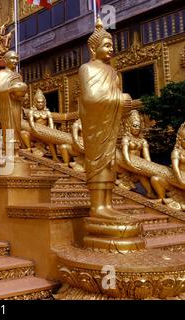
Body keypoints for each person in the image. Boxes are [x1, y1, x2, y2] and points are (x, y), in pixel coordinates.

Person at [79, 18, 133, 220]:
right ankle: (97, 206)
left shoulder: (112, 72)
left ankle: (108, 203)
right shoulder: (87, 69)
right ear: (94, 49)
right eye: (107, 45)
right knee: (98, 163)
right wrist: (120, 99)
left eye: (112, 45)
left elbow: (110, 97)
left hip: (110, 124)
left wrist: (123, 103)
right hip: (95, 127)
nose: (111, 49)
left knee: (111, 163)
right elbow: (90, 98)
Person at [117, 110, 156, 198]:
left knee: (144, 172)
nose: (137, 128)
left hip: (139, 164)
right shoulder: (126, 139)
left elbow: (147, 158)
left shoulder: (143, 141)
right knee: (140, 173)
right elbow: (124, 154)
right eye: (134, 126)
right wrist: (130, 164)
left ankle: (152, 192)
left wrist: (150, 168)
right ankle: (150, 192)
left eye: (138, 126)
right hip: (127, 163)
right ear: (129, 126)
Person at [0, 51, 29, 153]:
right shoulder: (1, 74)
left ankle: (17, 152)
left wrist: (24, 96)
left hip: (16, 105)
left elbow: (20, 93)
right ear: (5, 60)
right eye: (12, 58)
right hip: (7, 106)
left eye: (16, 58)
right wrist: (12, 88)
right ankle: (10, 152)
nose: (15, 61)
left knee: (17, 128)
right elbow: (0, 90)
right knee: (9, 128)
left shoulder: (18, 76)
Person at [28, 88, 59, 161]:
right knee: (24, 133)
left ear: (44, 102)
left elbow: (51, 125)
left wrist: (49, 132)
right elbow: (31, 123)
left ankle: (55, 156)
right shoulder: (31, 112)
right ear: (35, 103)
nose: (40, 104)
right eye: (38, 102)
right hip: (35, 132)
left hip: (45, 132)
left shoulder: (48, 112)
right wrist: (36, 131)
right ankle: (29, 149)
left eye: (42, 102)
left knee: (51, 139)